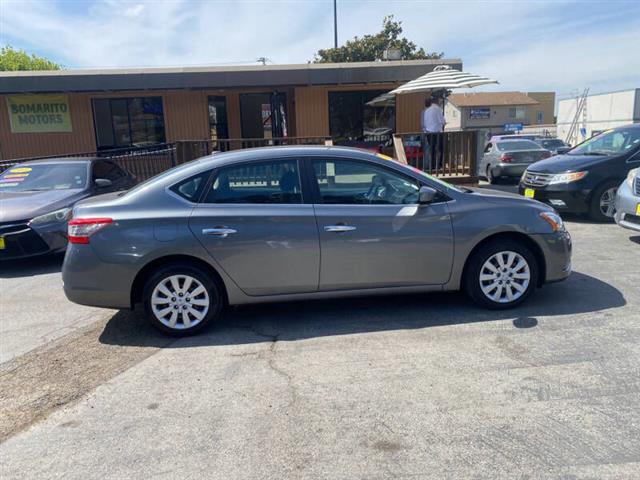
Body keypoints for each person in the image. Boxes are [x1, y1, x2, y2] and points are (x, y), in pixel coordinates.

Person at [420, 98, 446, 170]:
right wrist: (444, 123)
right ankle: (439, 166)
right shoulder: (437, 109)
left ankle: (431, 166)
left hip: (428, 132)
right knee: (441, 149)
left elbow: (424, 123)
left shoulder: (426, 110)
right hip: (437, 132)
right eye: (440, 101)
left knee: (431, 150)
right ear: (437, 101)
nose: (440, 102)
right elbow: (442, 121)